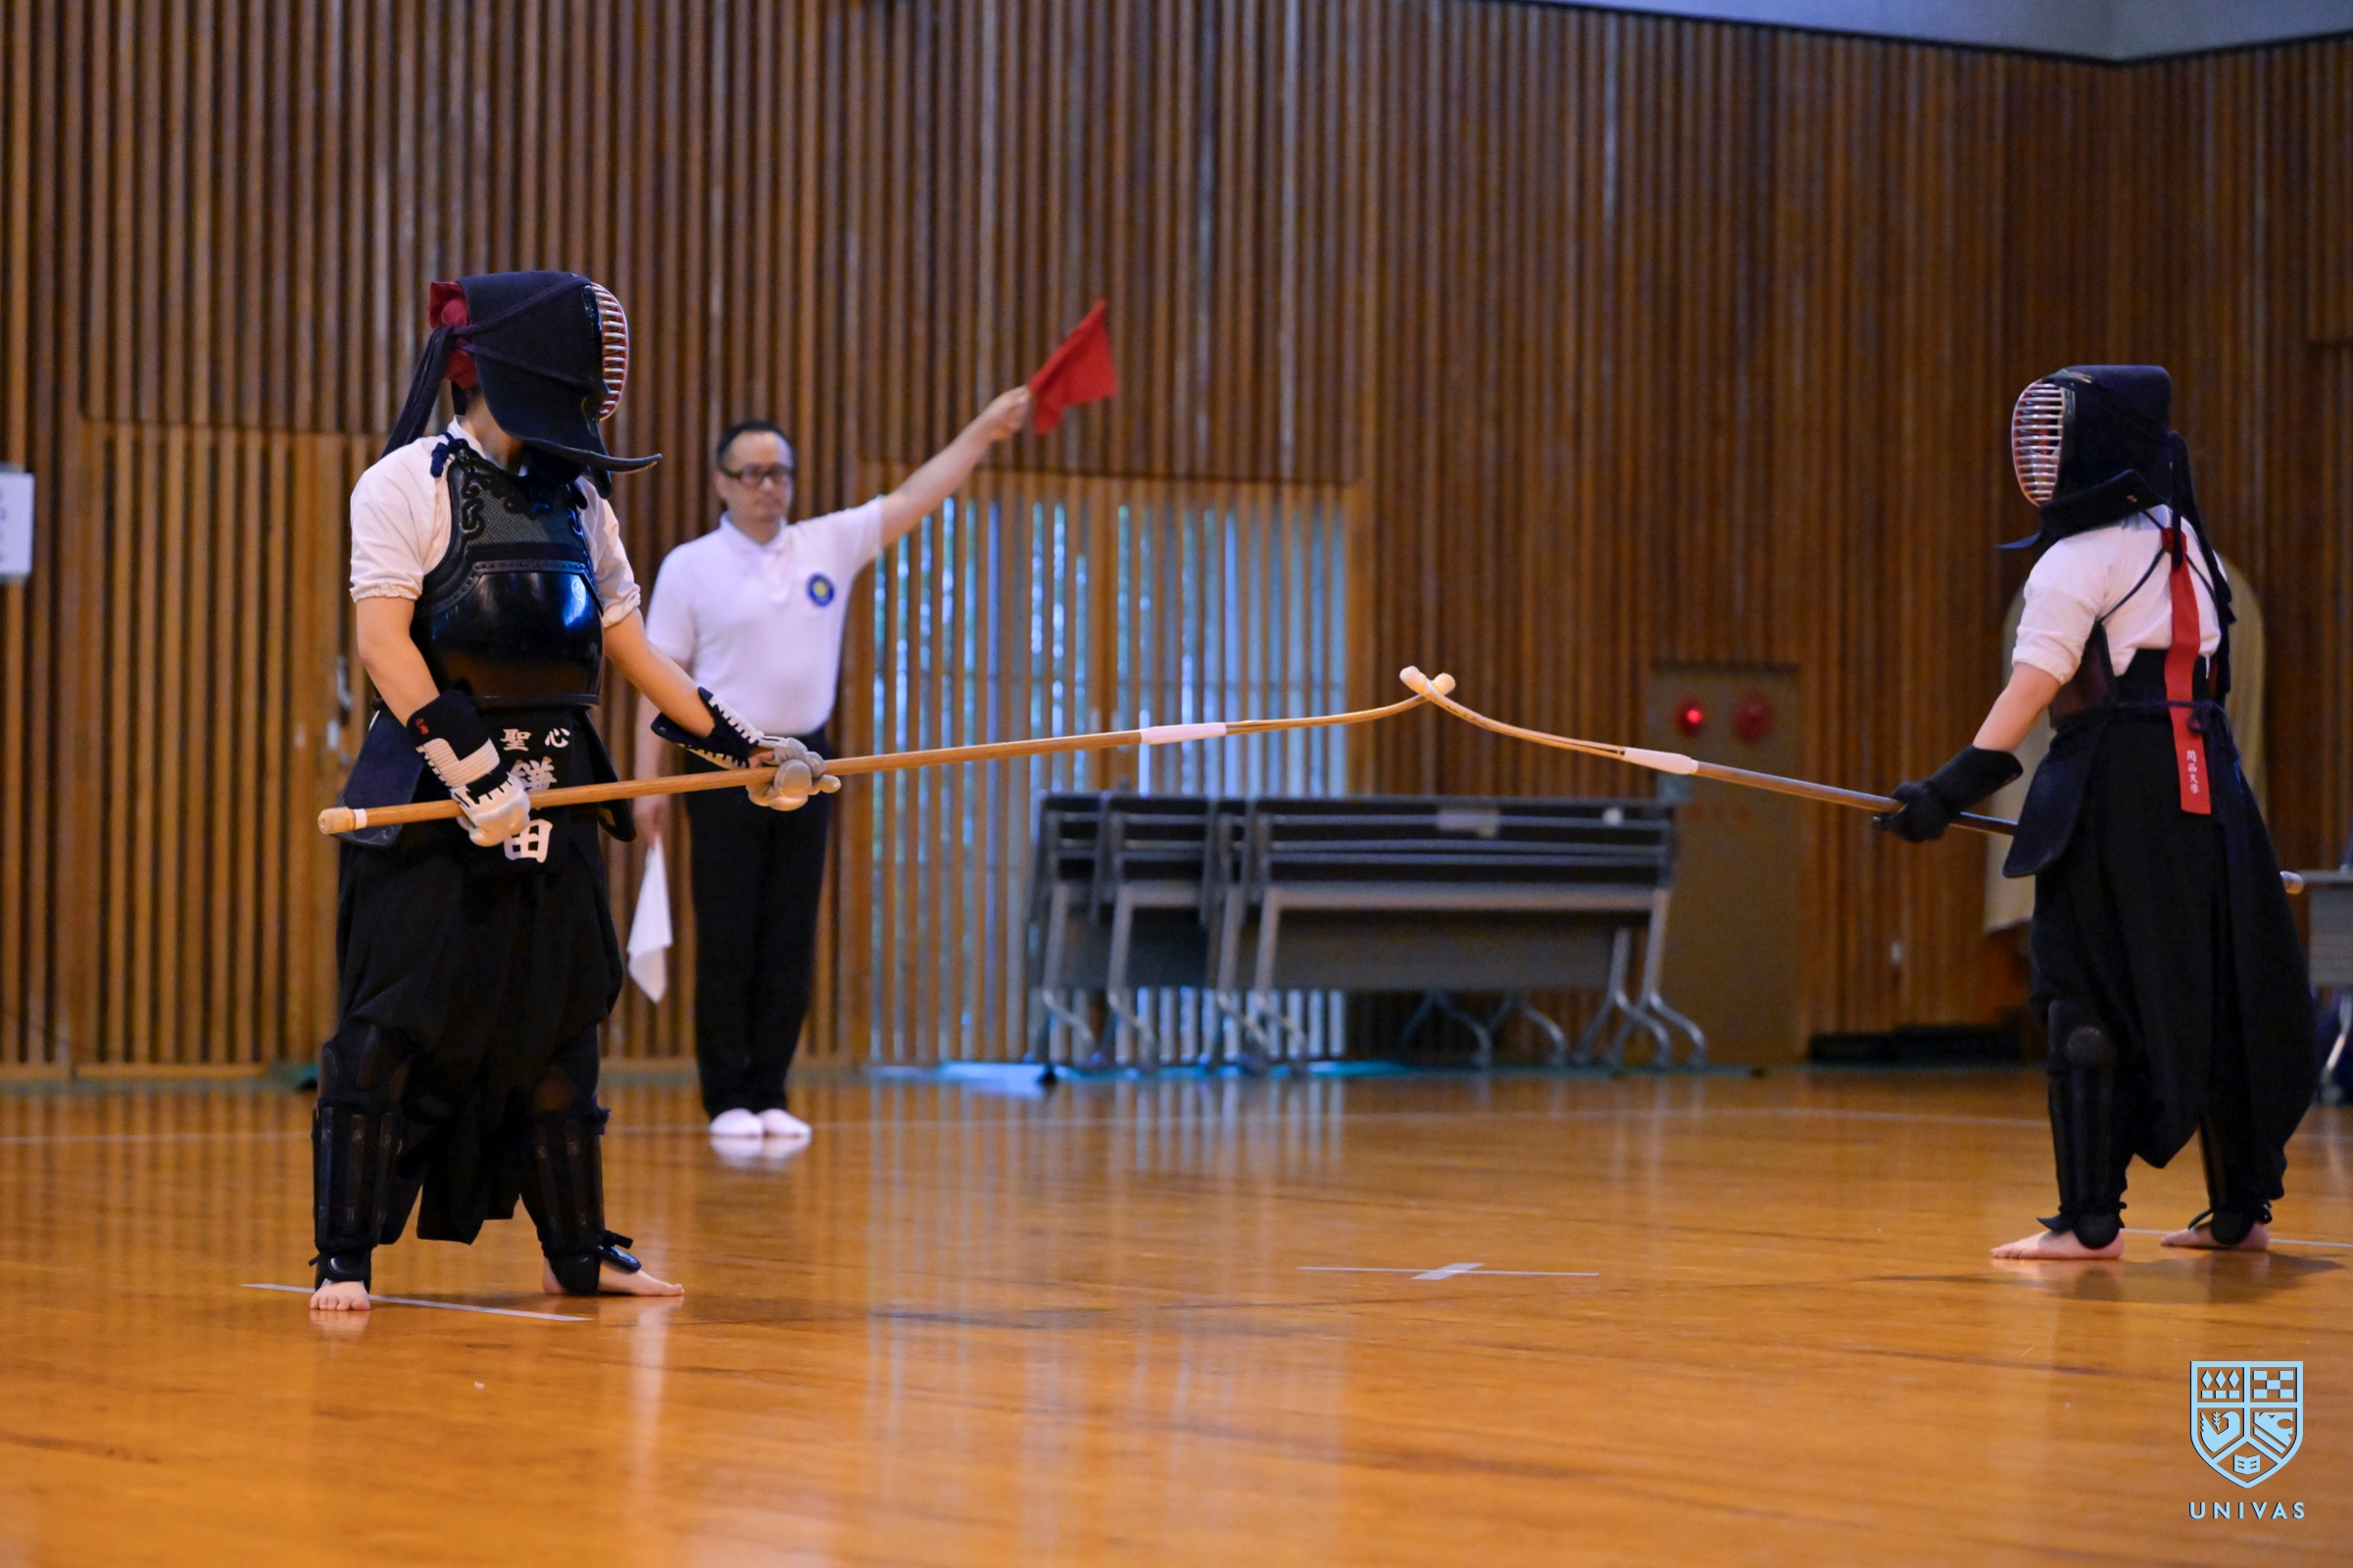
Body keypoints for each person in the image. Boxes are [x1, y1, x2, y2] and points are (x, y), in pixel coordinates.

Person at [313, 270, 833, 1311]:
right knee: (389, 1030)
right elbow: (383, 645)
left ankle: (579, 1249)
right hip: (436, 793)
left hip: (557, 793)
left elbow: (636, 652)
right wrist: (474, 772)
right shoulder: (403, 483)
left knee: (559, 1028)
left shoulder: (581, 501)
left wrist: (749, 751)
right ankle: (344, 1255)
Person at [1878, 365, 2314, 1259]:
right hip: (2211, 782)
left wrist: (1946, 791)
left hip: (2113, 786)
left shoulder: (2075, 559)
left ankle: (2087, 1224)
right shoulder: (2187, 542)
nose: (2037, 454)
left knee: (2079, 989)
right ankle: (2240, 1213)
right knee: (2220, 983)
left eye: (2056, 433)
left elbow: (2033, 686)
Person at [636, 388, 1031, 1143]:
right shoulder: (690, 567)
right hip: (719, 768)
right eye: (752, 473)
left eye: (780, 472)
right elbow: (659, 679)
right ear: (721, 482)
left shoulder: (827, 544)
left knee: (790, 934)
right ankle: (726, 1098)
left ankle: (771, 1089)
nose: (769, 486)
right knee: (727, 935)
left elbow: (916, 496)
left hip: (805, 765)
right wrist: (648, 784)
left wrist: (982, 431)